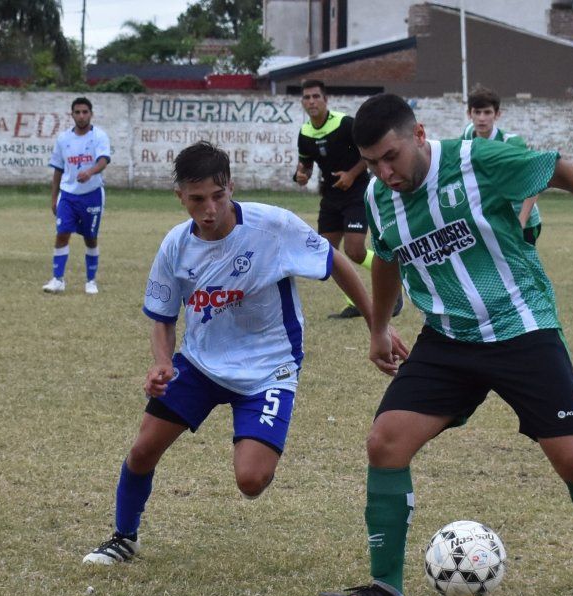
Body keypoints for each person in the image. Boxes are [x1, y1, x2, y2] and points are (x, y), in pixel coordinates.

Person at [317, 93, 573, 596]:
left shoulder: (474, 161)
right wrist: (377, 329)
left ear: (417, 135)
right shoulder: (378, 196)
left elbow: (561, 171)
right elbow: (389, 258)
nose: (383, 172)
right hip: (447, 339)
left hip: (521, 329)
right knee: (385, 442)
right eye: (371, 162)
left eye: (390, 156)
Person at [82, 141, 407, 566]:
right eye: (197, 200)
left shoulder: (272, 227)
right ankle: (124, 538)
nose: (210, 209)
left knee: (252, 480)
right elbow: (162, 317)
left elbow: (337, 264)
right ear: (180, 196)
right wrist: (162, 362)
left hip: (269, 369)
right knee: (142, 450)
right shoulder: (175, 246)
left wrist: (377, 328)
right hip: (198, 365)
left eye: (218, 196)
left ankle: (255, 433)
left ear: (230, 187)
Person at [293, 79, 402, 319]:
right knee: (327, 253)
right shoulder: (305, 133)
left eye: (316, 96)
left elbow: (369, 153)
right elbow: (306, 165)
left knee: (355, 250)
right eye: (307, 97)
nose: (311, 101)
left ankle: (394, 287)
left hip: (356, 193)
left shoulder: (344, 124)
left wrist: (351, 175)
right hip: (331, 196)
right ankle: (355, 303)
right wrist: (302, 175)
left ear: (325, 100)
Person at [42, 97, 111, 295]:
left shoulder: (99, 136)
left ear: (91, 114)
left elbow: (104, 160)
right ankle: (58, 279)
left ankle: (91, 281)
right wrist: (54, 197)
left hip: (92, 195)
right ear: (72, 115)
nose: (81, 116)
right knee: (62, 234)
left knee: (90, 238)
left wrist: (90, 172)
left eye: (85, 112)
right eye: (77, 112)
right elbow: (58, 169)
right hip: (68, 195)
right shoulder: (63, 139)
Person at [461, 85, 541, 244]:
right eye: (477, 112)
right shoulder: (468, 135)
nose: (482, 118)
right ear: (469, 114)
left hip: (523, 222)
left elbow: (535, 181)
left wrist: (521, 221)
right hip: (492, 221)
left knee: (522, 269)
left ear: (497, 114)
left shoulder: (511, 143)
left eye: (487, 112)